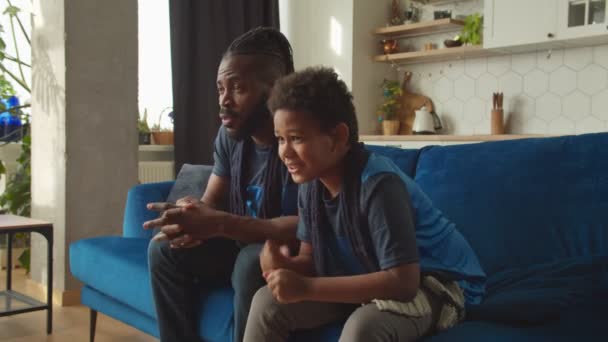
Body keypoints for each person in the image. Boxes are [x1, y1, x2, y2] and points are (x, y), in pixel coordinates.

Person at [243, 67, 486, 342]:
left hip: (436, 284)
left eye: (296, 138)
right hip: (366, 273)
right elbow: (311, 261)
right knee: (267, 303)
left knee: (365, 327)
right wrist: (283, 267)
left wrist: (308, 287)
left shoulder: (379, 186)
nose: (284, 152)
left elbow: (403, 283)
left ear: (338, 137)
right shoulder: (310, 184)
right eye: (280, 139)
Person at [143, 27, 298, 342]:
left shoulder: (300, 141)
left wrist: (222, 224)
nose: (225, 100)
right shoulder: (230, 138)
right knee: (162, 248)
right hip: (241, 242)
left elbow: (309, 226)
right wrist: (192, 214)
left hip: (293, 252)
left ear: (276, 89)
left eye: (237, 87)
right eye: (220, 89)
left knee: (249, 261)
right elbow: (213, 198)